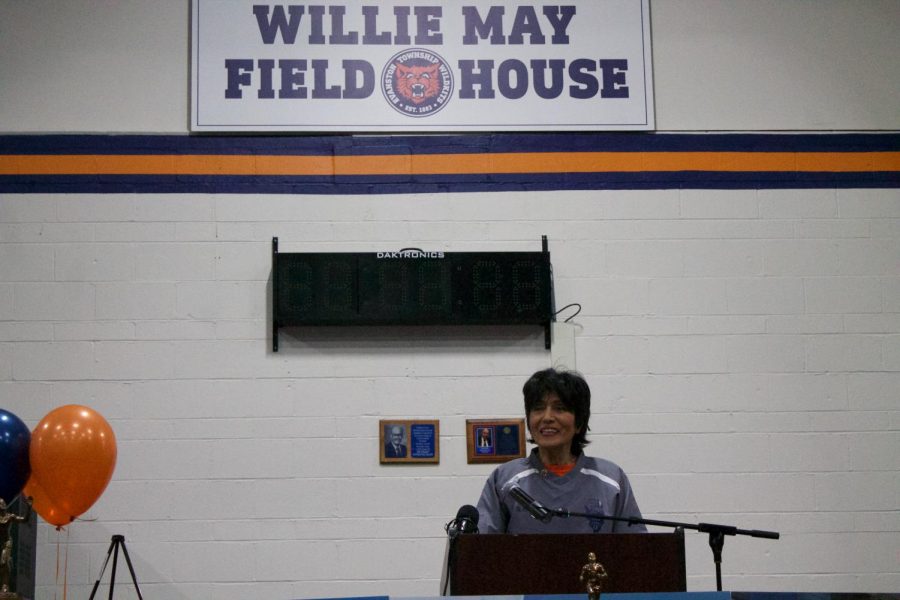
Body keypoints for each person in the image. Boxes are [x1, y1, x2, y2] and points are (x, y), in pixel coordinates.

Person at [475, 368, 647, 534]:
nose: (547, 417)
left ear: (579, 422)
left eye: (560, 408)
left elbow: (636, 550)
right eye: (538, 408)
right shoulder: (505, 479)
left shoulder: (611, 479)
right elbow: (481, 549)